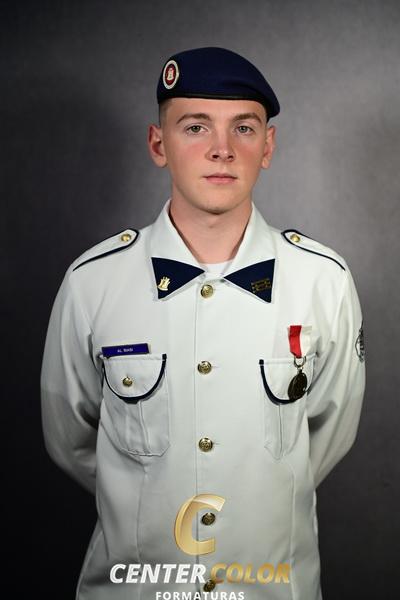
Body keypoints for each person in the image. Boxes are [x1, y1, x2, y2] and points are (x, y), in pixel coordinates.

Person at [40, 47, 366, 600]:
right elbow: (71, 440)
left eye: (244, 127)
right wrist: (145, 491)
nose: (222, 149)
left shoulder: (323, 281)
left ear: (268, 146)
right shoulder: (92, 282)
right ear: (158, 145)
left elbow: (326, 438)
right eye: (195, 127)